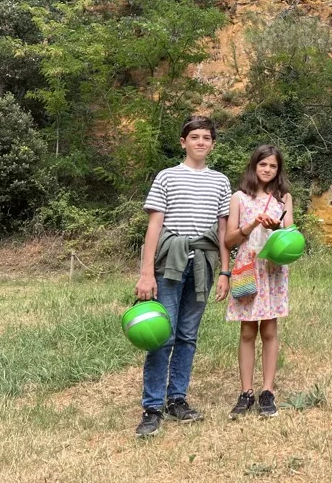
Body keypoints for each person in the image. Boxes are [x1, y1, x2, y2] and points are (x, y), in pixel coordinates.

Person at [133, 116, 231, 438]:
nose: (201, 142)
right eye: (194, 137)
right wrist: (147, 274)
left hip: (203, 264)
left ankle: (177, 399)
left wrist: (225, 272)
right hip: (168, 266)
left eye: (206, 137)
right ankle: (152, 406)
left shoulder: (220, 182)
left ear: (213, 144)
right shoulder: (166, 178)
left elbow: (222, 231)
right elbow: (154, 227)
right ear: (183, 142)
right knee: (162, 335)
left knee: (188, 336)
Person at [224, 144, 293, 418]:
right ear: (254, 166)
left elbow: (292, 235)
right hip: (248, 266)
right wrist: (252, 225)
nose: (267, 170)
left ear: (278, 170)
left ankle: (267, 391)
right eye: (263, 164)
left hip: (273, 268)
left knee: (270, 331)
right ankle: (245, 392)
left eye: (273, 166)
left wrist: (276, 227)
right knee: (247, 332)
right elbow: (229, 239)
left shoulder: (283, 198)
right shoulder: (239, 198)